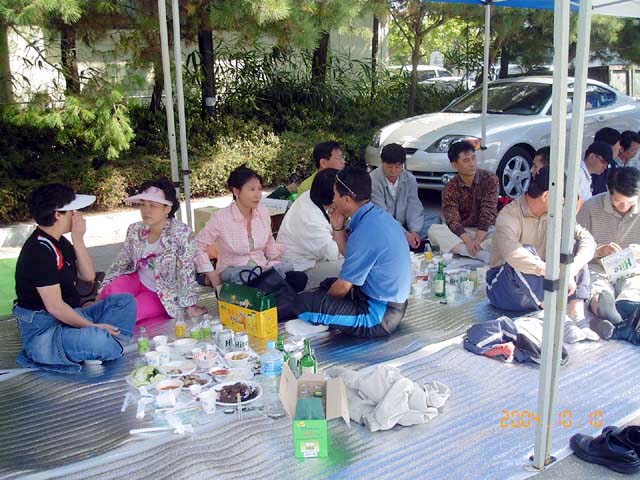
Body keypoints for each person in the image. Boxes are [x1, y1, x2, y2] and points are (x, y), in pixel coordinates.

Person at [13, 184, 136, 373]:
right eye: (73, 211)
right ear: (58, 215)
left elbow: (88, 276)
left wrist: (78, 239)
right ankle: (103, 345)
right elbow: (55, 307)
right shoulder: (38, 252)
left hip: (73, 316)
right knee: (97, 339)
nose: (78, 215)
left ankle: (101, 347)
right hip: (46, 332)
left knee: (125, 302)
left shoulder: (59, 241)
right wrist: (94, 327)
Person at [292, 167, 411, 337]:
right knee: (326, 285)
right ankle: (327, 314)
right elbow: (351, 255)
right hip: (385, 302)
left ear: (347, 199)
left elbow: (343, 287)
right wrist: (337, 226)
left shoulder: (366, 232)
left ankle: (323, 320)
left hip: (378, 316)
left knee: (304, 304)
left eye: (335, 194)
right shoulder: (375, 216)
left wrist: (324, 305)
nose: (333, 199)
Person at [486, 167, 598, 341]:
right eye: (562, 200)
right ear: (547, 196)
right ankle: (560, 320)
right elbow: (512, 254)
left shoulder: (557, 213)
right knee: (524, 255)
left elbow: (588, 240)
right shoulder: (509, 215)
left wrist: (571, 270)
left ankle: (577, 316)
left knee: (573, 246)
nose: (564, 205)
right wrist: (552, 271)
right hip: (505, 290)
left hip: (543, 285)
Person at [98, 178, 205, 322]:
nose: (146, 210)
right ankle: (91, 319)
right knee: (110, 293)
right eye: (143, 204)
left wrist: (190, 306)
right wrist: (102, 290)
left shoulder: (182, 233)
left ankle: (99, 324)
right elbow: (121, 262)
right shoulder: (135, 229)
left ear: (167, 208)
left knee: (130, 312)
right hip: (136, 279)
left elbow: (186, 272)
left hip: (161, 293)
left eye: (153, 205)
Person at [195, 165, 306, 291]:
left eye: (259, 189)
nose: (258, 195)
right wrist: (212, 275)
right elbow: (198, 246)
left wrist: (279, 266)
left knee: (299, 278)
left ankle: (270, 288)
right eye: (252, 189)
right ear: (236, 191)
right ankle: (268, 289)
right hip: (235, 272)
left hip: (261, 269)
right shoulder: (221, 218)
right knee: (251, 278)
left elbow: (269, 242)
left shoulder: (263, 211)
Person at [577, 167, 640, 340]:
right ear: (608, 190)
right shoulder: (590, 207)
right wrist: (599, 250)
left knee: (634, 288)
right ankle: (611, 315)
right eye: (619, 202)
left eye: (630, 202)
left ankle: (619, 317)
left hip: (633, 268)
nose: (624, 207)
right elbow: (574, 246)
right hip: (597, 267)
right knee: (597, 289)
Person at [428, 140, 498, 263]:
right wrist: (468, 241)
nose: (472, 164)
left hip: (486, 231)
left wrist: (477, 240)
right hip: (463, 233)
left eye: (473, 159)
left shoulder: (490, 179)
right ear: (454, 165)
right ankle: (476, 253)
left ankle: (467, 250)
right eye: (466, 160)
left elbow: (488, 212)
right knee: (434, 230)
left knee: (504, 233)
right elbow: (452, 219)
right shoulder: (450, 187)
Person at [276, 169, 344, 289]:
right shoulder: (311, 220)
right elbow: (333, 253)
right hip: (299, 269)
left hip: (311, 257)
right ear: (334, 198)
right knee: (350, 268)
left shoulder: (312, 195)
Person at [370, 143, 440, 249]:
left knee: (435, 221)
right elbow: (382, 214)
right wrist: (405, 234)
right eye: (389, 167)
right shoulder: (373, 180)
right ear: (382, 163)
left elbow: (414, 206)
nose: (393, 171)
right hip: (384, 224)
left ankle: (407, 240)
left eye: (397, 167)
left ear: (402, 164)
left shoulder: (410, 178)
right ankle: (404, 241)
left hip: (405, 224)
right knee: (377, 231)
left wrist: (414, 231)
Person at [591, 127, 621, 195]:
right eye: (618, 144)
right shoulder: (592, 167)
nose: (619, 147)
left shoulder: (613, 165)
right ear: (609, 147)